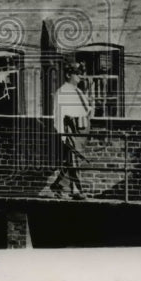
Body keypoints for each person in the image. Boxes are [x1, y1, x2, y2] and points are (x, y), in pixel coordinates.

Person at [48, 61, 92, 200]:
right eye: (77, 74)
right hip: (70, 129)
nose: (80, 76)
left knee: (71, 161)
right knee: (74, 161)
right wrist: (62, 135)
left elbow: (86, 110)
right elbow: (58, 115)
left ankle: (58, 184)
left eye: (81, 73)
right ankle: (77, 190)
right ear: (68, 75)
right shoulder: (62, 92)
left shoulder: (78, 91)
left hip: (80, 131)